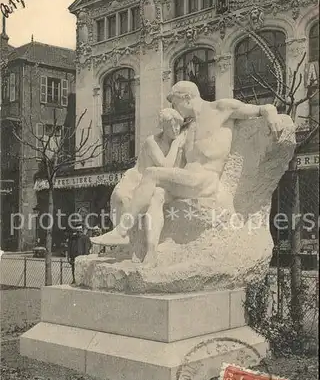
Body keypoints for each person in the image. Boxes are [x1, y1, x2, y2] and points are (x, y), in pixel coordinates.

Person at [91, 81, 282, 264]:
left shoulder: (221, 108)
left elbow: (259, 109)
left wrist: (271, 112)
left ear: (187, 98)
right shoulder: (188, 128)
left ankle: (122, 229)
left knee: (151, 173)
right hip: (187, 181)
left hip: (206, 179)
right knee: (156, 194)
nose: (175, 108)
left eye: (175, 103)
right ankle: (151, 254)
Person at [98, 108, 187, 265]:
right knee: (121, 198)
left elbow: (169, 169)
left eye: (178, 126)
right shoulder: (152, 141)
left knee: (150, 200)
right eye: (171, 126)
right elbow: (164, 165)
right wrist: (176, 145)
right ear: (163, 127)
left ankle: (131, 240)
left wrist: (177, 145)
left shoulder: (179, 143)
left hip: (154, 183)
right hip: (137, 178)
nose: (175, 130)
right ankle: (124, 239)